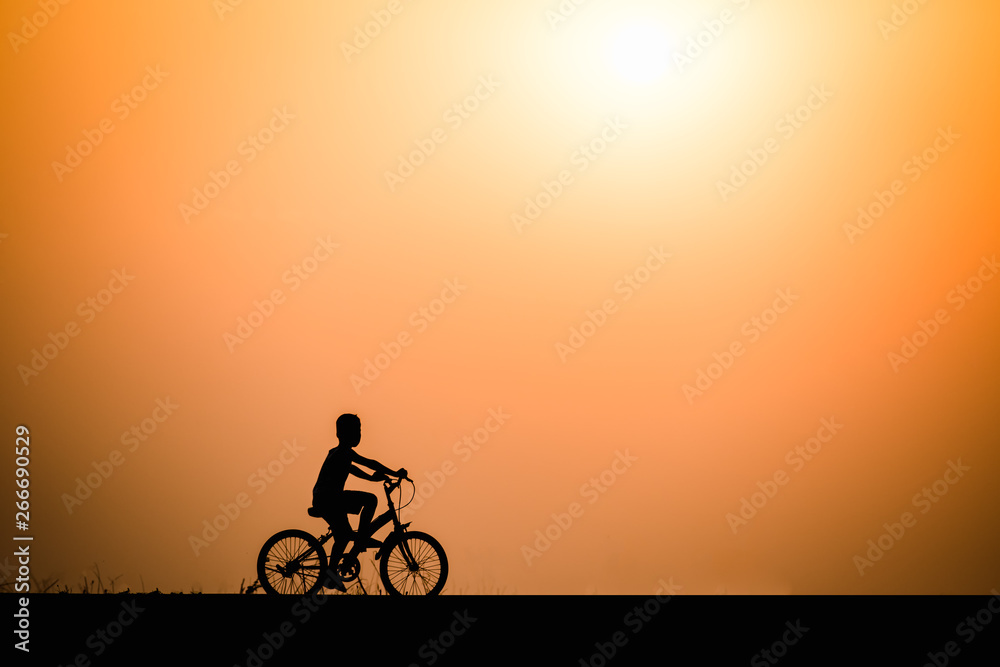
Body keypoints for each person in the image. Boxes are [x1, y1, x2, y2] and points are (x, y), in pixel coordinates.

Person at [311, 413, 405, 591]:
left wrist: (372, 479)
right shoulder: (343, 452)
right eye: (356, 431)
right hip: (329, 498)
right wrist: (395, 473)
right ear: (343, 434)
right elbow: (370, 463)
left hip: (325, 498)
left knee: (343, 535)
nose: (359, 434)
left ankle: (330, 574)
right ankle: (361, 539)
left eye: (359, 431)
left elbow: (352, 469)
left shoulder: (338, 453)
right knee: (371, 499)